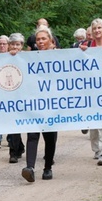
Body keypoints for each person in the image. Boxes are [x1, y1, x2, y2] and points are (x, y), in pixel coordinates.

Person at [21, 27, 59, 182]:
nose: (41, 41)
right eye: (38, 39)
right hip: (35, 102)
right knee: (32, 133)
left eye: (44, 38)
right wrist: (11, 56)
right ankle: (29, 167)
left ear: (51, 40)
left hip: (53, 103)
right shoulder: (29, 57)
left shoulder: (60, 56)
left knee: (50, 137)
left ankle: (48, 167)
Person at [79, 18, 102, 165]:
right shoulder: (86, 46)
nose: (97, 31)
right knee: (93, 121)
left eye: (100, 28)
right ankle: (96, 149)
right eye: (94, 28)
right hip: (90, 90)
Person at [6, 33, 26, 163]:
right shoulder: (2, 58)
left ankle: (21, 147)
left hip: (25, 95)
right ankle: (13, 152)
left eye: (17, 44)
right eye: (12, 44)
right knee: (13, 123)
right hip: (10, 95)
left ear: (22, 46)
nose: (15, 47)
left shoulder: (28, 57)